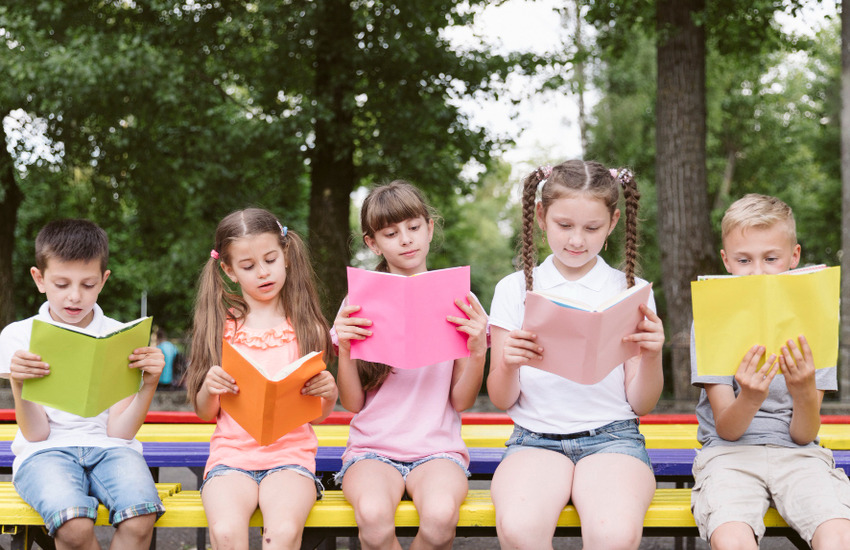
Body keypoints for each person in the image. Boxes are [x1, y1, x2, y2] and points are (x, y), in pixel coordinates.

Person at [487, 161, 665, 549]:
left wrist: (652, 356)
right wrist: (509, 363)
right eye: (564, 226)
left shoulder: (631, 290)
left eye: (592, 228)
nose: (577, 240)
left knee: (613, 534)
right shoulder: (512, 289)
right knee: (519, 529)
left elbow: (642, 403)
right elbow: (502, 399)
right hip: (534, 438)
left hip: (613, 437)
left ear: (613, 222)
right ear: (541, 216)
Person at [333, 180, 488, 550]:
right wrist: (344, 347)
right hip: (372, 450)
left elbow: (461, 401)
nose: (406, 240)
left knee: (438, 518)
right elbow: (353, 404)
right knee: (372, 516)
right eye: (391, 233)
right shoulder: (357, 303)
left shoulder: (461, 300)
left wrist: (478, 349)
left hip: (438, 451)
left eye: (414, 227)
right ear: (373, 243)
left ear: (430, 228)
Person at [690, 194, 850, 549]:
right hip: (728, 456)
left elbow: (805, 434)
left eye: (771, 258)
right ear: (726, 261)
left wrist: (805, 390)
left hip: (799, 455)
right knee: (731, 538)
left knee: (839, 535)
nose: (758, 271)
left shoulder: (815, 318)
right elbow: (727, 431)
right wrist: (750, 397)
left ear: (793, 257)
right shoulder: (711, 317)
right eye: (744, 259)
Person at [0, 219, 165, 549]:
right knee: (73, 527)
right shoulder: (18, 337)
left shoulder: (121, 336)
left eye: (88, 285)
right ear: (39, 278)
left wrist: (148, 386)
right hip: (44, 452)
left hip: (112, 450)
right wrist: (20, 384)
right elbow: (36, 434)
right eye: (61, 284)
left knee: (140, 517)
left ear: (103, 281)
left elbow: (119, 433)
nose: (74, 296)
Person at [185, 208, 338, 550]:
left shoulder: (308, 328)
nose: (263, 273)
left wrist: (328, 393)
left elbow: (319, 413)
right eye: (248, 266)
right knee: (225, 532)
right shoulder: (220, 328)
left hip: (290, 459)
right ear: (229, 270)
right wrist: (210, 388)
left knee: (281, 533)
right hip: (230, 460)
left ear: (285, 255)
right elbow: (205, 412)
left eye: (270, 259)